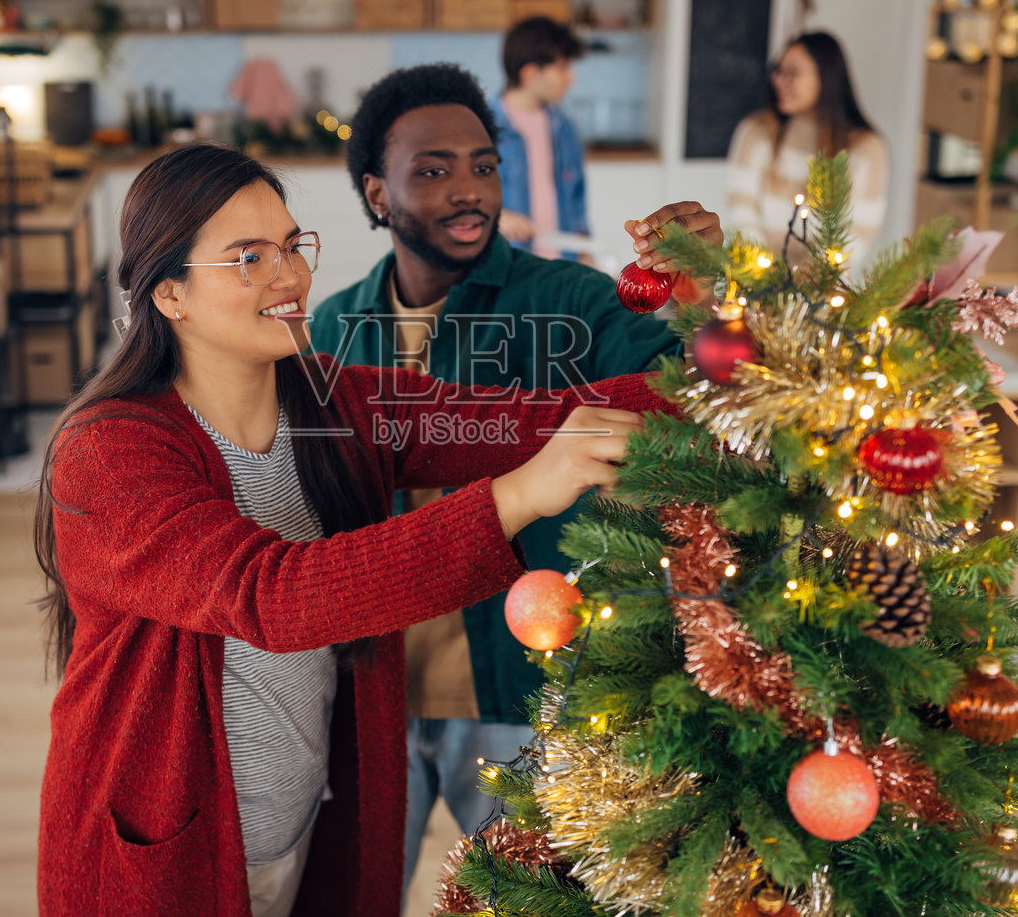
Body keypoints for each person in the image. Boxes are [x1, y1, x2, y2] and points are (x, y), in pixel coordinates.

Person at [32, 142, 673, 917]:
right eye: (248, 257)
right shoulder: (108, 450)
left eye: (291, 246)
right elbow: (273, 596)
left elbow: (543, 419)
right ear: (169, 293)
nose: (290, 276)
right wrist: (519, 495)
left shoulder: (340, 404)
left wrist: (736, 358)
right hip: (167, 859)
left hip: (306, 829)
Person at [307, 63, 724, 891]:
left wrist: (705, 302)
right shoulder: (333, 325)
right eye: (433, 170)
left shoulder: (575, 303)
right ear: (377, 193)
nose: (469, 189)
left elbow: (693, 397)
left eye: (484, 165)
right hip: (369, 699)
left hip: (524, 698)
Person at [726, 31, 888, 261]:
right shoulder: (755, 132)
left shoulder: (866, 148)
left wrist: (809, 276)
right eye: (778, 70)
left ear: (826, 78)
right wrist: (764, 271)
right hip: (756, 276)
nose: (779, 80)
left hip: (825, 281)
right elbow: (741, 210)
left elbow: (858, 233)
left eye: (792, 73)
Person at [490, 16, 589, 260]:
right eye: (562, 69)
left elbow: (577, 199)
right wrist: (496, 218)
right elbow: (463, 201)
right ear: (531, 74)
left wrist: (584, 251)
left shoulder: (565, 128)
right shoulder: (482, 127)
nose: (571, 78)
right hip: (511, 266)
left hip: (562, 264)